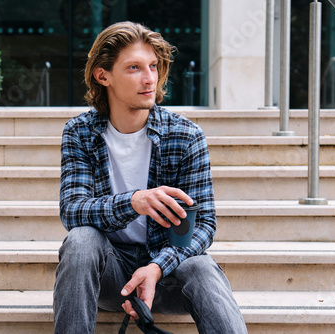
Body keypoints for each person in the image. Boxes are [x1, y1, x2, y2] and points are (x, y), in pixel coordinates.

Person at [53, 21, 247, 334]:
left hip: (168, 277)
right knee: (81, 240)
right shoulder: (80, 132)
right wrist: (134, 202)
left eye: (153, 66)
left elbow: (204, 225)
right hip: (110, 278)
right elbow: (73, 209)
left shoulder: (185, 135)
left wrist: (157, 268)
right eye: (133, 68)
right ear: (103, 76)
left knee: (200, 265)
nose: (149, 79)